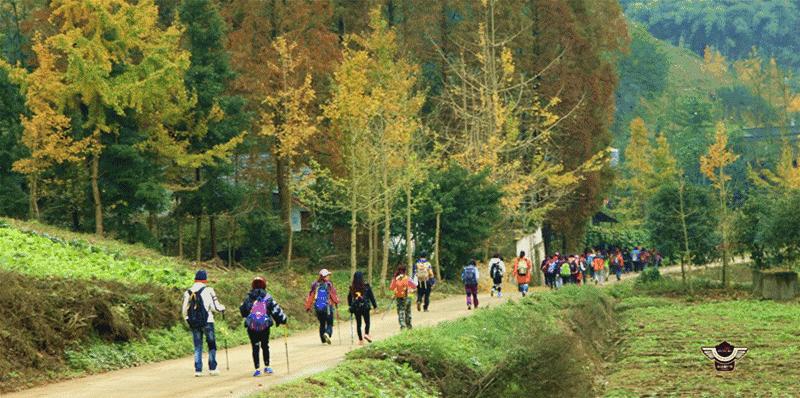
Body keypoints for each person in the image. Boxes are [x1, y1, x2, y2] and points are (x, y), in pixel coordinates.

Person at [239, 276, 287, 377]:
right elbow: (276, 310)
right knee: (265, 346)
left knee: (255, 347)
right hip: (265, 326)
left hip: (252, 327)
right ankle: (267, 367)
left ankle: (257, 369)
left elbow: (243, 311)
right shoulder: (268, 297)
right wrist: (283, 320)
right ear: (264, 285)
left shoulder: (248, 298)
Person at [182, 269, 226, 377]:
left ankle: (198, 370)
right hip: (208, 321)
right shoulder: (209, 290)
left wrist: (187, 319)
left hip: (194, 322)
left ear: (195, 279)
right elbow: (215, 307)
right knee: (211, 344)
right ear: (205, 280)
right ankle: (212, 368)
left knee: (198, 346)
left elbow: (184, 309)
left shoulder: (188, 292)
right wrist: (222, 308)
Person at [305, 269, 340, 345]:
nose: (329, 276)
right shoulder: (329, 284)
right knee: (330, 323)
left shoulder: (315, 285)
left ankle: (323, 341)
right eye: (328, 275)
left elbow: (311, 296)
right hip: (327, 307)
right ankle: (327, 333)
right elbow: (333, 295)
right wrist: (336, 303)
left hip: (318, 308)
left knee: (322, 324)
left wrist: (308, 307)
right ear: (324, 276)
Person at [347, 271, 378, 345]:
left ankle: (360, 340)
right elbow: (371, 297)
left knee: (358, 324)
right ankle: (366, 334)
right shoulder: (366, 286)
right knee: (367, 322)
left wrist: (350, 306)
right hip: (365, 307)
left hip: (356, 308)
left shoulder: (352, 288)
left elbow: (349, 298)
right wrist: (375, 306)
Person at [389, 265, 416, 330]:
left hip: (399, 298)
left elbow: (391, 287)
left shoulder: (396, 278)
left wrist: (395, 293)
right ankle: (409, 326)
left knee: (401, 311)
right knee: (408, 312)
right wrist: (411, 291)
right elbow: (414, 287)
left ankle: (403, 326)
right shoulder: (408, 278)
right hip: (408, 297)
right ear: (405, 271)